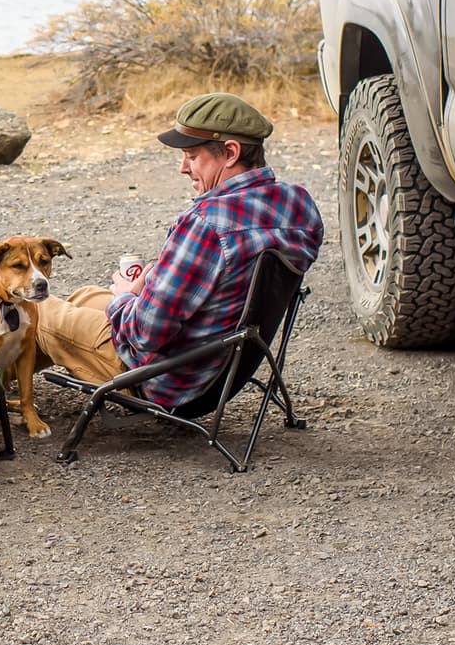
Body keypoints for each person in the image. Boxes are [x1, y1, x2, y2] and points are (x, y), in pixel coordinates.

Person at [35, 92, 323, 408]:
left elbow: (146, 334)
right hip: (224, 372)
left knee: (36, 310)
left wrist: (127, 297)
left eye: (192, 156)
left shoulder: (206, 223)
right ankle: (19, 386)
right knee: (85, 296)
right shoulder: (299, 204)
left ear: (230, 152)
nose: (183, 168)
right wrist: (146, 288)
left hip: (167, 380)